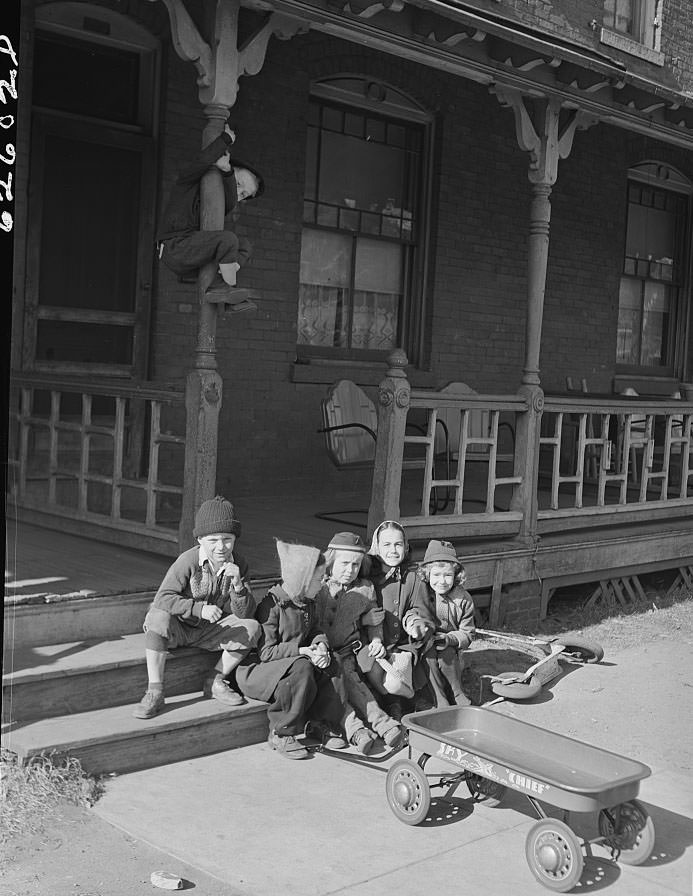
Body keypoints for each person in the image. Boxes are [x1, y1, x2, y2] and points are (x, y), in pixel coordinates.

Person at [133, 496, 261, 720]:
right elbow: (163, 597)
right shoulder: (188, 561)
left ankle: (216, 680)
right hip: (180, 626)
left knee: (252, 627)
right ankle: (155, 690)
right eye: (213, 540)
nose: (221, 547)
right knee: (157, 616)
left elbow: (244, 614)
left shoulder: (238, 563)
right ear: (200, 539)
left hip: (211, 630)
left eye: (227, 539)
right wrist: (197, 609)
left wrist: (239, 586)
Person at [236, 541, 347, 760]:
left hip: (294, 664)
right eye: (319, 578)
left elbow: (315, 628)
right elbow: (266, 653)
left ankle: (321, 723)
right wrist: (303, 650)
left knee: (333, 660)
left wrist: (320, 645)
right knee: (302, 667)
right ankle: (281, 731)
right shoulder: (272, 606)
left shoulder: (307, 603)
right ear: (302, 580)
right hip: (261, 672)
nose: (323, 582)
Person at [315, 532, 406, 755]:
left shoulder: (365, 588)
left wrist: (376, 638)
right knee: (338, 691)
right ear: (330, 561)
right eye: (344, 564)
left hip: (347, 654)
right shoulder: (319, 587)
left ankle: (383, 726)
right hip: (321, 656)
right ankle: (356, 731)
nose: (350, 570)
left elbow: (375, 619)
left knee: (355, 685)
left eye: (356, 565)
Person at [156, 122, 264, 312]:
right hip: (174, 247)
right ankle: (226, 290)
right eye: (238, 184)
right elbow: (202, 161)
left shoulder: (219, 201)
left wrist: (228, 173)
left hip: (192, 250)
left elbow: (230, 202)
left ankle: (221, 287)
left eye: (245, 195)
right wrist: (225, 141)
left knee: (244, 244)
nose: (239, 194)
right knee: (228, 239)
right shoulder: (188, 182)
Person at [359, 520, 435, 720]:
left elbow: (421, 609)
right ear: (376, 547)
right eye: (386, 545)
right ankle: (397, 701)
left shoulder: (413, 577)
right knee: (369, 667)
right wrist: (364, 621)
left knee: (395, 680)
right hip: (371, 644)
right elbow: (350, 614)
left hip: (402, 645)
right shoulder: (366, 577)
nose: (393, 550)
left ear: (406, 546)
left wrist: (415, 623)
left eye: (398, 544)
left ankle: (402, 699)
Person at [416, 540, 475, 707]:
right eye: (436, 575)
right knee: (428, 657)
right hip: (425, 642)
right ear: (427, 574)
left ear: (456, 575)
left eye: (447, 575)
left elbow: (468, 632)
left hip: (449, 644)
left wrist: (449, 639)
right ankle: (439, 697)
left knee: (446, 656)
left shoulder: (463, 599)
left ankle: (457, 692)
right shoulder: (422, 594)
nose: (442, 581)